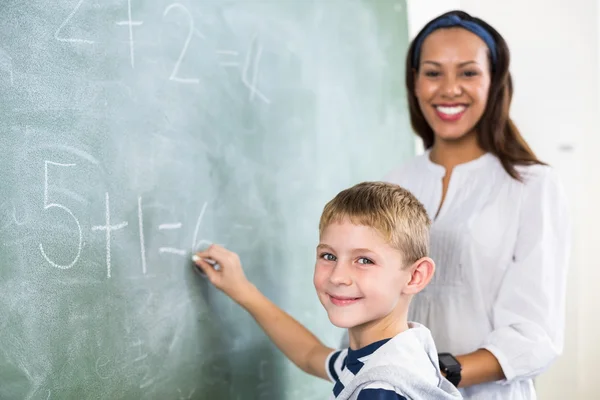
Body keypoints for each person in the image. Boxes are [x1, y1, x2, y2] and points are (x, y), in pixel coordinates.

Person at [349, 9, 568, 400]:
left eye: (468, 72)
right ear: (414, 83)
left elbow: (535, 336)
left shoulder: (532, 186)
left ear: (494, 82)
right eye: (433, 72)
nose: (449, 88)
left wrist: (434, 374)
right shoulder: (395, 182)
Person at [193, 182, 462, 399]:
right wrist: (243, 291)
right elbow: (310, 355)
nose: (338, 276)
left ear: (415, 276)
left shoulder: (381, 388)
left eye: (364, 260)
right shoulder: (396, 349)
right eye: (329, 256)